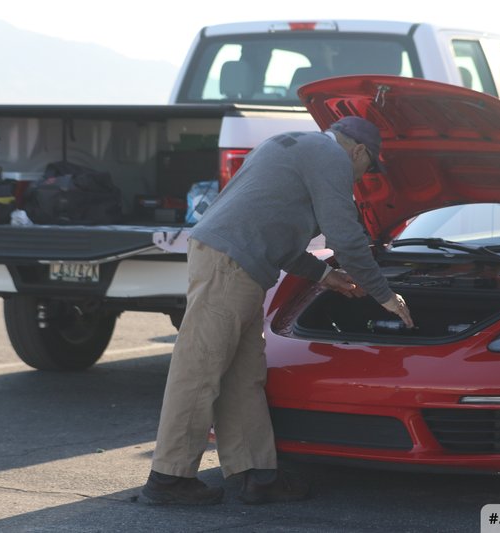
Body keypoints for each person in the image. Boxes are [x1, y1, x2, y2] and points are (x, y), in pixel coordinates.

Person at [141, 116, 414, 505]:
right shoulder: (331, 157)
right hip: (230, 264)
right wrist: (384, 294)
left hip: (235, 262)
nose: (360, 178)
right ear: (358, 151)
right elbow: (345, 236)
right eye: (367, 168)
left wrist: (323, 275)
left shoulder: (292, 144)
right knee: (198, 370)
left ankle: (258, 474)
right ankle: (167, 480)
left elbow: (275, 233)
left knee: (242, 373)